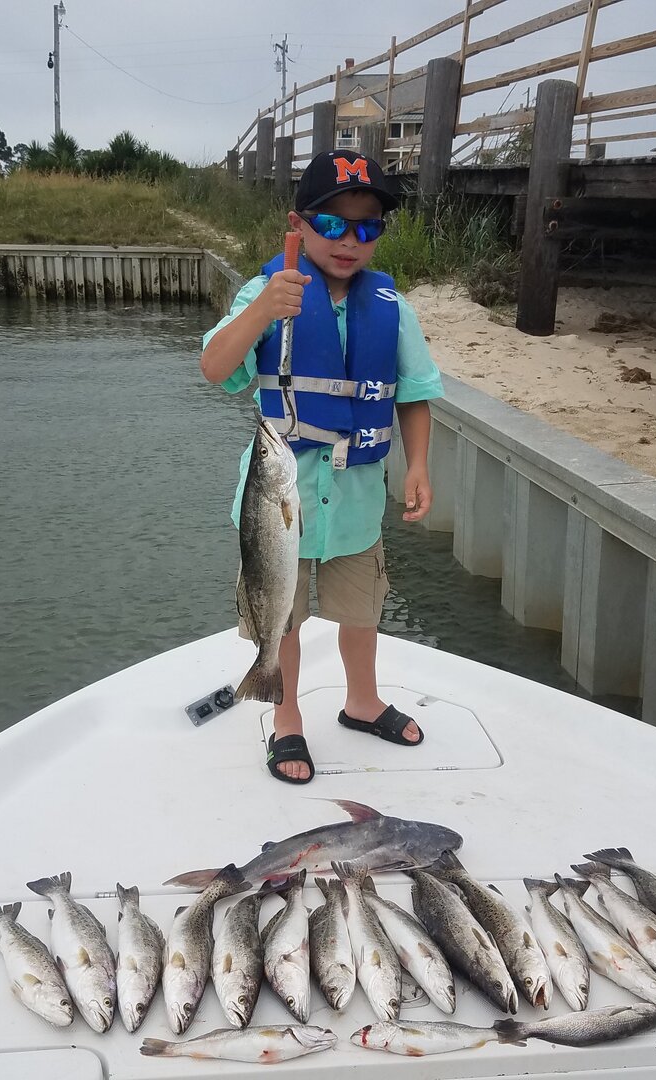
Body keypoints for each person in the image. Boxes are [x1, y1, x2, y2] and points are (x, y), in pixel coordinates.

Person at [200, 150, 445, 783]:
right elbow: (214, 367)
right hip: (276, 502)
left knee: (362, 611)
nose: (350, 241)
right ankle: (286, 722)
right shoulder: (265, 291)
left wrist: (416, 465)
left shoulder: (394, 308)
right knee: (280, 617)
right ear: (298, 225)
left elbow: (413, 394)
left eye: (367, 227)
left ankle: (361, 703)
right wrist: (262, 310)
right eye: (333, 224)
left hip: (359, 502)